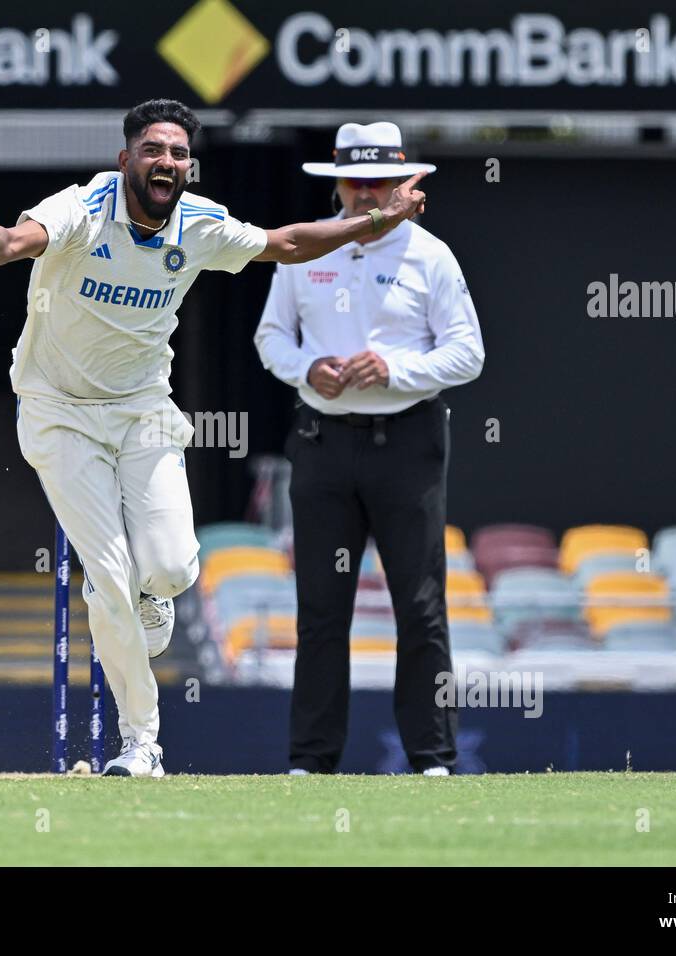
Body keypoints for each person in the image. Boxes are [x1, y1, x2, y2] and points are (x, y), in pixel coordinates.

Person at [0, 100, 428, 776]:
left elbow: (289, 243)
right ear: (127, 160)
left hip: (144, 408)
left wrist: (379, 218)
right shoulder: (85, 206)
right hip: (57, 409)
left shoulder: (200, 224)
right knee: (110, 578)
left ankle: (152, 597)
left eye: (179, 154)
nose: (167, 163)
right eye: (154, 150)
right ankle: (141, 743)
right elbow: (18, 242)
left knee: (174, 568)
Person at [254, 121, 484, 775]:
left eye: (378, 182)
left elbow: (469, 352)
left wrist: (394, 372)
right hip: (324, 441)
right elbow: (272, 339)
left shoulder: (430, 255)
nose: (366, 195)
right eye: (355, 182)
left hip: (406, 441)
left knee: (419, 604)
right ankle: (310, 760)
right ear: (338, 185)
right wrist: (308, 369)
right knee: (322, 607)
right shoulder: (308, 251)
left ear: (402, 183)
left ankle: (433, 758)